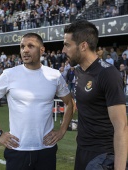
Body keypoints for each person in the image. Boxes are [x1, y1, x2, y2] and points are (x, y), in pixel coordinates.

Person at [0, 33, 74, 170]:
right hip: (17, 149)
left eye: (30, 46)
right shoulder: (9, 74)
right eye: (22, 46)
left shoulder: (54, 75)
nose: (25, 50)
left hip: (46, 151)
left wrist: (62, 131)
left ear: (42, 50)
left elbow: (69, 103)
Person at [62, 20, 128, 170]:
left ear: (83, 46)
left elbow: (122, 127)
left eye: (67, 45)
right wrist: (61, 131)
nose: (63, 50)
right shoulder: (78, 71)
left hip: (103, 157)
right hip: (82, 151)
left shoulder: (108, 74)